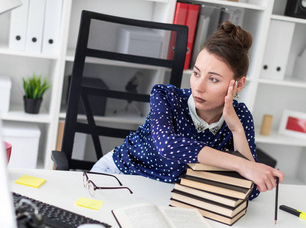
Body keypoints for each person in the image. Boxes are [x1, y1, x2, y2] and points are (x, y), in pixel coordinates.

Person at [91, 21, 284, 199]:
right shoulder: (166, 96)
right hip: (119, 176)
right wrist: (242, 164)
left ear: (238, 84)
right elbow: (168, 146)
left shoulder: (240, 117)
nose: (198, 87)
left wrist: (236, 130)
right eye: (197, 73)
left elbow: (249, 191)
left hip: (169, 194)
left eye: (213, 79)